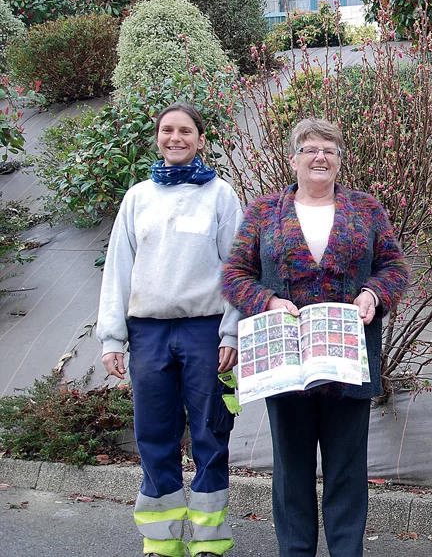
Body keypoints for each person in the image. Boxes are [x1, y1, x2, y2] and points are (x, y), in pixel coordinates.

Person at [221, 118, 408, 557]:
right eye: (309, 149)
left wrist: (373, 294)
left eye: (329, 149)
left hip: (349, 363)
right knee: (291, 473)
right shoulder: (264, 211)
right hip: (286, 365)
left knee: (347, 471)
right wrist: (265, 300)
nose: (320, 156)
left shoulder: (367, 209)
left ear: (340, 161)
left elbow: (395, 268)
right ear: (293, 159)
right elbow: (233, 275)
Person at [96, 102, 242, 557]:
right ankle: (160, 544)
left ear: (201, 139)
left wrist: (232, 332)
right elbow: (118, 268)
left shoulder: (221, 195)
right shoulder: (138, 197)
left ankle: (209, 543)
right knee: (154, 437)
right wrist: (112, 337)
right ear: (157, 138)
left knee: (210, 436)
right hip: (148, 333)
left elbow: (237, 268)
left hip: (205, 331)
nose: (174, 138)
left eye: (185, 131)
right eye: (166, 130)